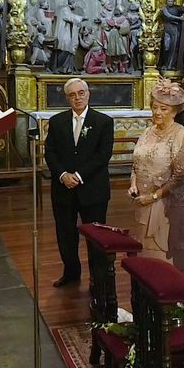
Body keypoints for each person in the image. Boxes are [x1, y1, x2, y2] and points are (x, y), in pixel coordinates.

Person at [45, 78, 114, 287]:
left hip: (92, 189)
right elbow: (50, 153)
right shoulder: (57, 122)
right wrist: (63, 175)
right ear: (67, 98)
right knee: (65, 234)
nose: (77, 98)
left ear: (88, 94)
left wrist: (79, 176)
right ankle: (71, 272)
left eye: (81, 93)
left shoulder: (103, 121)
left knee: (95, 236)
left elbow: (103, 156)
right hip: (63, 188)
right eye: (72, 95)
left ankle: (98, 276)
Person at [128, 78, 184, 281]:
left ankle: (173, 302)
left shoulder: (180, 134)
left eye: (164, 109)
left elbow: (181, 175)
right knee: (145, 254)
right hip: (142, 203)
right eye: (155, 107)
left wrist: (154, 195)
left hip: (167, 204)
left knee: (164, 256)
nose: (157, 113)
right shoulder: (147, 132)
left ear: (174, 111)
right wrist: (133, 184)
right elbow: (136, 163)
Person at [54, 0, 85, 74]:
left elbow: (72, 17)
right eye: (75, 4)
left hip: (67, 32)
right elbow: (70, 18)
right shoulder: (65, 10)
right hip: (64, 33)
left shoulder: (67, 10)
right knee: (66, 49)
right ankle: (63, 69)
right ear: (72, 4)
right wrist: (81, 18)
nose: (75, 6)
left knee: (68, 49)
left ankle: (68, 69)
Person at [158, 0, 184, 71]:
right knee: (166, 47)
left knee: (174, 47)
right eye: (168, 1)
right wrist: (179, 18)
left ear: (174, 1)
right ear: (166, 1)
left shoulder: (177, 8)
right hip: (167, 28)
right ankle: (165, 63)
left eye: (171, 1)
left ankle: (171, 65)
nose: (170, 2)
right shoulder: (164, 8)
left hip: (175, 28)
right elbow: (168, 16)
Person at [102, 5, 130, 73]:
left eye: (118, 11)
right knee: (114, 54)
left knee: (124, 53)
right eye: (115, 11)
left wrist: (119, 27)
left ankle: (125, 68)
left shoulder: (124, 19)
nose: (116, 12)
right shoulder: (112, 19)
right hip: (113, 38)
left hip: (121, 38)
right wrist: (107, 24)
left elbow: (127, 29)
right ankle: (116, 69)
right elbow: (106, 27)